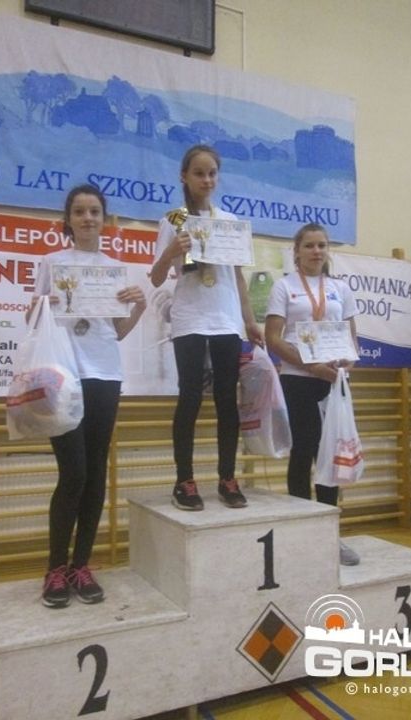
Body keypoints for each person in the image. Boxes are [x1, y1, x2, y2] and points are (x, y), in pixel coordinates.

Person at [28, 184, 146, 608]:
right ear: (68, 219)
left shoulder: (114, 269)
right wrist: (45, 303)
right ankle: (55, 568)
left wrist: (139, 305)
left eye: (94, 211)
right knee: (73, 473)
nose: (87, 218)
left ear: (103, 219)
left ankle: (81, 566)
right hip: (64, 377)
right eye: (79, 211)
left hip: (104, 377)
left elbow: (118, 332)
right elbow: (32, 319)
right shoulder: (52, 262)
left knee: (95, 473)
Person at [150, 144, 263, 511]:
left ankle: (227, 478)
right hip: (189, 318)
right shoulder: (172, 220)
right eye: (199, 173)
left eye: (212, 173)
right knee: (190, 398)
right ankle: (184, 480)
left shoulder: (228, 221)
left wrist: (249, 321)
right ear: (184, 176)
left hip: (226, 318)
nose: (207, 179)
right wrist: (171, 252)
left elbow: (239, 277)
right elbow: (155, 278)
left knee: (227, 399)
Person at [264, 222, 360, 566]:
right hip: (297, 380)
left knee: (329, 454)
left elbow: (351, 338)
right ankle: (300, 533)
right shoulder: (284, 286)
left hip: (333, 380)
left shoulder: (340, 289)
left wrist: (346, 359)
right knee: (303, 451)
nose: (316, 251)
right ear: (297, 251)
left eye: (322, 245)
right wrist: (312, 366)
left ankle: (328, 535)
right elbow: (273, 338)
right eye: (309, 245)